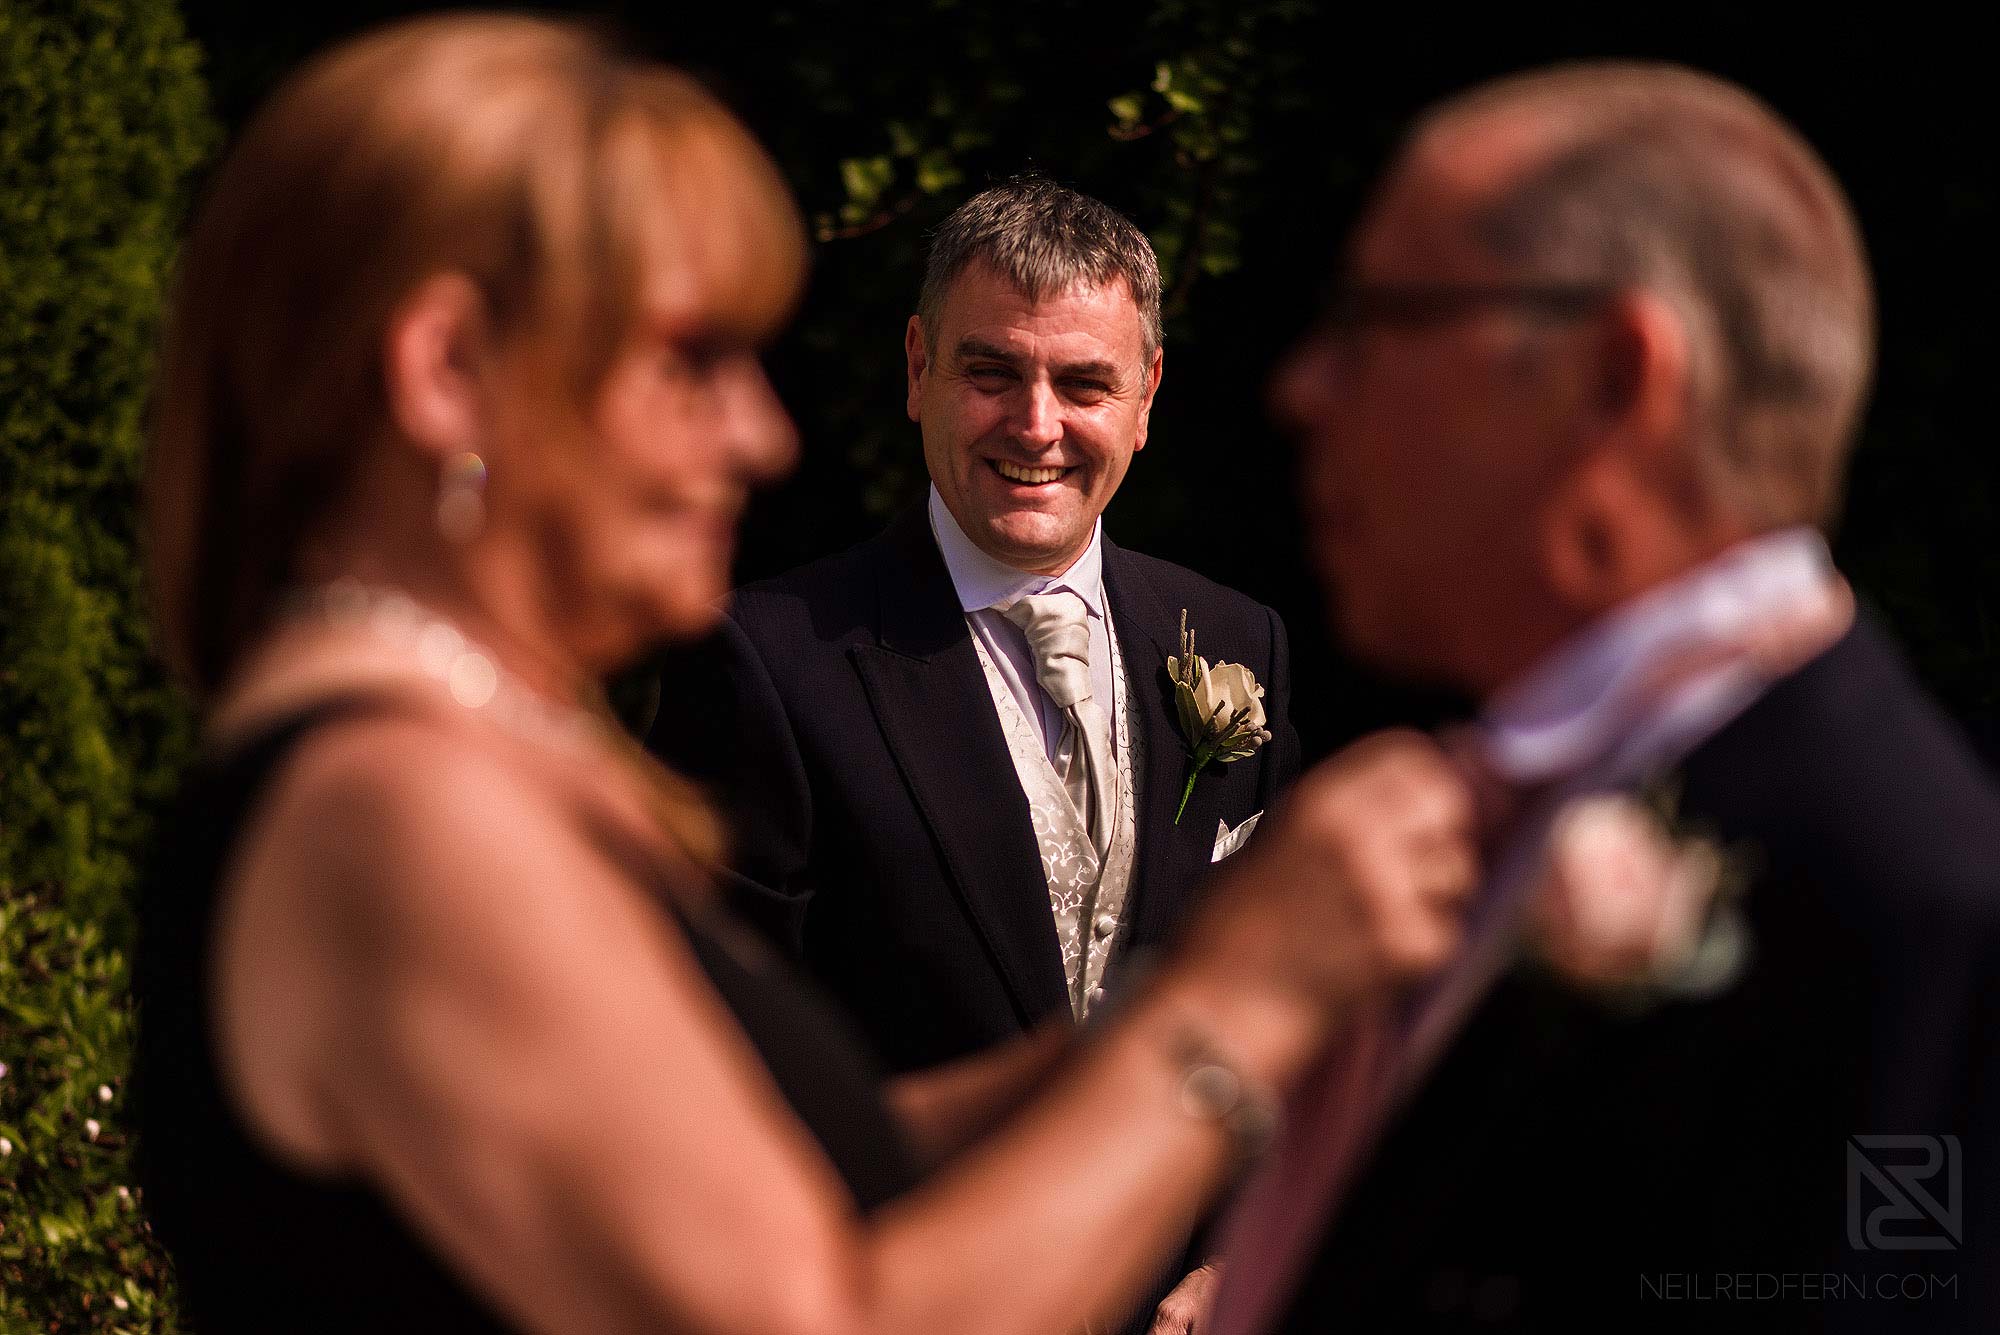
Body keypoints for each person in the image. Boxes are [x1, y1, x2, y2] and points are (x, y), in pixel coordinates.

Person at [132, 17, 1476, 1335]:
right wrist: (1237, 1010)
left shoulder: (433, 753)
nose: (762, 433)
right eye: (691, 359)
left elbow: (783, 1156)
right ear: (449, 371)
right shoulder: (400, 805)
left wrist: (1178, 1011)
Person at [1210, 62, 2000, 1333]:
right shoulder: (1494, 808)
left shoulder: (1910, 909)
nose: (1301, 388)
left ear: (1613, 376)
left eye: (1374, 322)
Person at [649, 179, 1299, 1330]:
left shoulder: (1238, 638)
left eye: (1085, 382)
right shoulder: (766, 658)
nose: (1035, 425)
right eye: (992, 372)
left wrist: (1238, 1259)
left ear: (1146, 397)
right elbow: (715, 1063)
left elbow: (1284, 1003)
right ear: (917, 371)